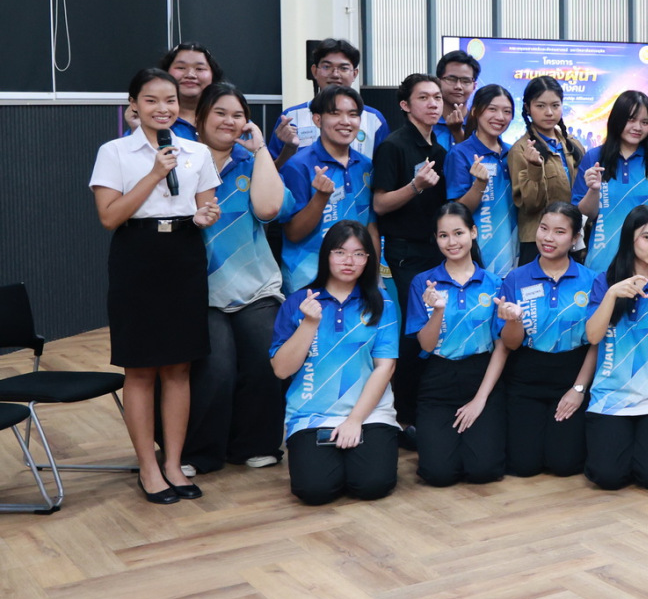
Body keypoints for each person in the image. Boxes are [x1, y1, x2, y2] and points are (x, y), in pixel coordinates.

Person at [90, 68, 221, 502]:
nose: (162, 109)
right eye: (151, 100)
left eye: (170, 100)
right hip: (137, 256)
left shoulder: (196, 151)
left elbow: (207, 207)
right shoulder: (114, 152)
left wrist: (205, 215)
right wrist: (153, 172)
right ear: (134, 105)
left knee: (179, 367)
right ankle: (148, 467)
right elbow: (109, 216)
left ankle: (173, 464)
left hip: (184, 254)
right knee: (141, 368)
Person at [189, 81, 289, 474]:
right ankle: (200, 451)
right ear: (200, 118)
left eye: (237, 115)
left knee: (266, 359)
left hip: (255, 287)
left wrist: (261, 149)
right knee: (216, 368)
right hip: (199, 291)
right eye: (220, 113)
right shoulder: (183, 163)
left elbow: (269, 209)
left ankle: (255, 444)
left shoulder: (252, 163)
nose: (229, 121)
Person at [269, 220, 400, 505]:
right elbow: (281, 370)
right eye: (340, 252)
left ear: (368, 259)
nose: (349, 261)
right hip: (311, 416)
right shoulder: (298, 302)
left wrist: (355, 420)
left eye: (358, 254)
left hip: (369, 414)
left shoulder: (382, 302)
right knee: (314, 491)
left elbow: (385, 367)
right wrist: (309, 324)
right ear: (326, 255)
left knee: (372, 484)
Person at [579, 204, 648, 490]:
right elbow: (593, 336)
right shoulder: (604, 283)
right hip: (610, 395)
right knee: (608, 477)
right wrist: (612, 294)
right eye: (647, 237)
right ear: (630, 239)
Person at [370, 73, 449, 436]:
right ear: (405, 105)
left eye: (437, 97)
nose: (433, 104)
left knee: (435, 329)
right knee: (411, 334)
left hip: (435, 252)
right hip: (403, 254)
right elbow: (380, 204)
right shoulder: (394, 146)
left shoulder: (439, 150)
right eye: (424, 98)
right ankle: (403, 417)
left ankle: (427, 410)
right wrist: (415, 186)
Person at [495, 202, 597, 478]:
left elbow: (597, 342)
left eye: (559, 232)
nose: (548, 238)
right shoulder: (515, 278)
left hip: (572, 374)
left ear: (575, 238)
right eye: (544, 228)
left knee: (564, 465)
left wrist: (578, 389)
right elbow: (510, 344)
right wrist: (513, 320)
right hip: (526, 376)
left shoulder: (592, 281)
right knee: (523, 466)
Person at [407, 204, 506, 487]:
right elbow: (426, 345)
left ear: (473, 232)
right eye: (443, 235)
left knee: (483, 471)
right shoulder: (422, 283)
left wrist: (480, 399)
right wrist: (438, 310)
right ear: (436, 239)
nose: (452, 242)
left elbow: (502, 346)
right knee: (438, 474)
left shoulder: (494, 283)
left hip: (482, 376)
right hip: (438, 378)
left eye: (458, 233)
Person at [278, 86, 376, 293]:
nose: (346, 121)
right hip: (308, 281)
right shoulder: (298, 165)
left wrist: (372, 279)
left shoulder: (366, 165)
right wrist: (321, 198)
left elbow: (371, 226)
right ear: (317, 119)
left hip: (355, 280)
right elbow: (293, 233)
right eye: (335, 113)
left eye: (353, 115)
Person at [574, 90, 648, 272]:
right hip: (602, 261)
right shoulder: (594, 157)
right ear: (617, 119)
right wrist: (594, 190)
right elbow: (582, 216)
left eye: (645, 122)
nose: (638, 127)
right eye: (631, 119)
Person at [272, 39, 388, 166]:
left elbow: (385, 169)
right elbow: (271, 170)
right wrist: (289, 148)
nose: (335, 74)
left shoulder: (374, 120)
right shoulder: (291, 117)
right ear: (314, 71)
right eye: (327, 67)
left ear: (355, 74)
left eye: (343, 68)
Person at [508, 76, 584, 266]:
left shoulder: (573, 144)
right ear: (528, 108)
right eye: (540, 106)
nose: (549, 112)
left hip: (573, 238)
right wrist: (534, 167)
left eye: (555, 105)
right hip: (538, 241)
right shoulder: (521, 150)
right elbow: (530, 204)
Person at [445, 84, 519, 278]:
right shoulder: (460, 153)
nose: (500, 117)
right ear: (476, 111)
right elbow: (458, 211)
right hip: (478, 254)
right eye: (492, 109)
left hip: (515, 250)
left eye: (507, 111)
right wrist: (479, 185)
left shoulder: (514, 153)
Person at [157, 42, 222, 141]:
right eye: (181, 68)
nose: (190, 75)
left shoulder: (229, 118)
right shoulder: (151, 117)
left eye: (200, 69)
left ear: (213, 74)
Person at [433, 49, 482, 148]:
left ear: (474, 86)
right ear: (438, 82)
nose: (458, 86)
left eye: (466, 81)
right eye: (451, 79)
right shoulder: (426, 122)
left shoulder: (482, 125)